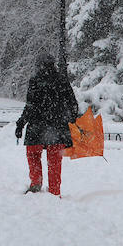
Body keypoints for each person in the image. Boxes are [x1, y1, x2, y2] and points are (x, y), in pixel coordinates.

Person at [15, 54, 79, 196]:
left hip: (36, 127)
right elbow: (73, 104)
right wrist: (70, 121)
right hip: (57, 128)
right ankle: (54, 191)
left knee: (33, 155)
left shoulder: (35, 81)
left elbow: (30, 106)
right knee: (55, 162)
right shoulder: (62, 81)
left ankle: (36, 183)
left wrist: (21, 123)